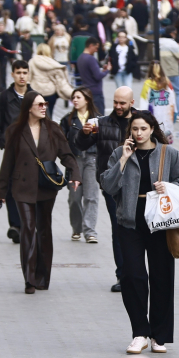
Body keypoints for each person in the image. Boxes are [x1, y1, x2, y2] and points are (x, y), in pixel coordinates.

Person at [101, 111, 179, 354]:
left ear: (152, 129)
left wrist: (169, 186)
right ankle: (139, 332)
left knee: (162, 277)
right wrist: (122, 160)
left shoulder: (168, 153)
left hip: (160, 222)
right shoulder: (119, 153)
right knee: (133, 276)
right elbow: (108, 186)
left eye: (143, 129)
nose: (138, 134)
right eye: (134, 129)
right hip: (129, 221)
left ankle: (159, 336)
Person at [0, 92, 79, 294]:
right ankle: (29, 278)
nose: (44, 107)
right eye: (40, 104)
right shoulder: (15, 131)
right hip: (22, 188)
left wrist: (75, 174)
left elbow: (66, 154)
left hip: (46, 186)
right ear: (28, 108)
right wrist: (1, 191)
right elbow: (8, 162)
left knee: (43, 230)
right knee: (28, 228)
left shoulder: (53, 129)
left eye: (45, 104)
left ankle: (42, 275)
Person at [76, 87, 137, 293]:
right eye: (116, 102)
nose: (118, 107)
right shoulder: (101, 124)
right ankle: (123, 275)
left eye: (122, 103)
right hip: (112, 185)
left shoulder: (141, 124)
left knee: (137, 230)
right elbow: (82, 144)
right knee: (118, 229)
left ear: (132, 102)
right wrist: (83, 135)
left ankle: (138, 273)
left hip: (138, 186)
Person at [0, 61, 36, 244]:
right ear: (13, 74)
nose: (22, 76)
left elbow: (45, 124)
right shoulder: (3, 98)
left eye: (25, 72)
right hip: (13, 152)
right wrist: (6, 144)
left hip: (33, 153)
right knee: (11, 188)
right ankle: (16, 225)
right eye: (18, 72)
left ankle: (29, 223)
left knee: (32, 188)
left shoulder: (36, 98)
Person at [61, 87, 101, 243]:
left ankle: (90, 231)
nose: (75, 100)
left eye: (78, 97)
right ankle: (76, 228)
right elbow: (61, 142)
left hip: (92, 159)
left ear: (87, 99)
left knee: (91, 196)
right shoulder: (67, 120)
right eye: (73, 98)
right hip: (74, 160)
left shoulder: (97, 119)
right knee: (75, 197)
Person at [29, 44, 75, 118]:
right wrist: (73, 94)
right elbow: (61, 83)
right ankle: (48, 127)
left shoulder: (32, 62)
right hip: (50, 94)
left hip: (36, 93)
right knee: (49, 114)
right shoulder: (53, 63)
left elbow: (28, 79)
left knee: (36, 115)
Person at [138, 61, 175, 145]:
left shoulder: (147, 85)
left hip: (153, 120)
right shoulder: (168, 84)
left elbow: (143, 103)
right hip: (167, 119)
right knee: (167, 146)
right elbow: (173, 102)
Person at [76, 36, 110, 114]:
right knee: (99, 116)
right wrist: (107, 70)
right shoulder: (91, 59)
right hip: (96, 92)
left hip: (86, 90)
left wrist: (102, 70)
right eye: (96, 47)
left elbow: (89, 73)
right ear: (91, 45)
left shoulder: (80, 58)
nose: (96, 50)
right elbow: (97, 76)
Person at [158, 30, 179, 121]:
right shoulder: (172, 43)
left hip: (161, 72)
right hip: (172, 71)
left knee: (162, 92)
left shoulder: (157, 42)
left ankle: (163, 113)